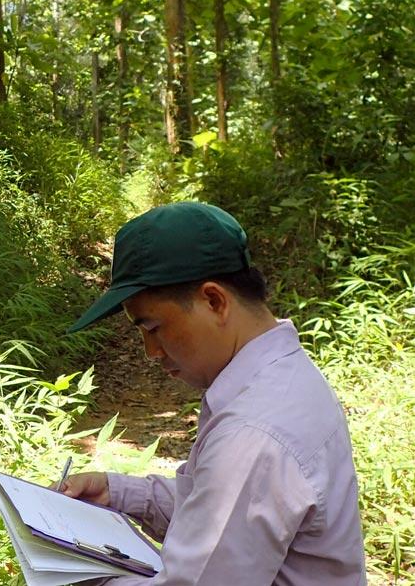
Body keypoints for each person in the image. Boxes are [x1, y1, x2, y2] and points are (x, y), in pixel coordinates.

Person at [62, 201, 366, 585]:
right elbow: (221, 507)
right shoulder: (281, 377)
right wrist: (116, 492)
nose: (151, 353)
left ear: (214, 301)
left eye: (153, 328)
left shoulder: (254, 433)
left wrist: (74, 573)